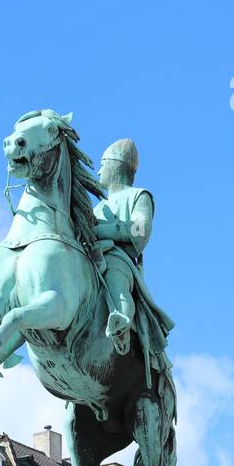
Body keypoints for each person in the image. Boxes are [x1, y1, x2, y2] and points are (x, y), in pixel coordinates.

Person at [92, 138, 174, 372]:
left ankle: (121, 322)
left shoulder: (140, 196)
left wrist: (98, 229)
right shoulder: (97, 207)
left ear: (115, 166)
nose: (98, 170)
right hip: (92, 257)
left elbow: (141, 230)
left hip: (120, 259)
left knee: (116, 282)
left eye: (102, 164)